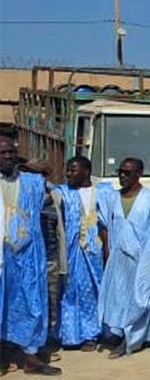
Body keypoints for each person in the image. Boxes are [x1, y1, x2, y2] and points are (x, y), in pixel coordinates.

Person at [1, 136, 60, 375]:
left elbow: (48, 173)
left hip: (27, 255)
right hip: (1, 256)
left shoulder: (30, 181)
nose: (7, 157)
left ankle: (31, 355)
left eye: (10, 153)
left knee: (31, 302)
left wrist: (26, 164)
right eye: (2, 153)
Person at [97, 158, 150, 358]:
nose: (122, 176)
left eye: (128, 172)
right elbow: (106, 227)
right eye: (120, 172)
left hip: (145, 256)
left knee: (149, 296)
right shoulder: (112, 198)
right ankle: (127, 338)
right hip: (119, 258)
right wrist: (107, 249)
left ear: (139, 174)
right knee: (123, 297)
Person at [54, 156, 105, 351]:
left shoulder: (102, 192)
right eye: (67, 169)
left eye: (73, 170)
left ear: (86, 171)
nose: (68, 174)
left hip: (95, 254)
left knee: (90, 294)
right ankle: (69, 334)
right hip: (71, 254)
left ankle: (91, 334)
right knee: (69, 292)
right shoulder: (62, 193)